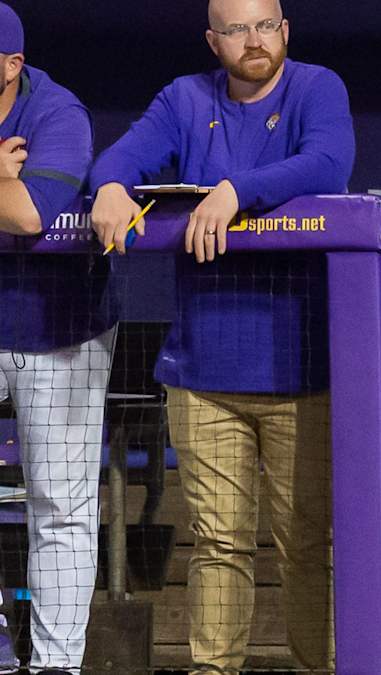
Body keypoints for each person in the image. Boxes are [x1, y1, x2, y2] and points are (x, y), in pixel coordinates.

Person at [88, 1, 353, 672]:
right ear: (214, 40)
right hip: (203, 371)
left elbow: (327, 162)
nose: (254, 41)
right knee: (219, 543)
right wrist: (112, 184)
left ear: (285, 31)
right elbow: (121, 155)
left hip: (302, 369)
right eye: (236, 29)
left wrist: (237, 189)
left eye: (266, 25)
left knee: (306, 544)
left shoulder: (316, 87)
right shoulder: (185, 99)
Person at [0, 3, 116, 673]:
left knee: (61, 504)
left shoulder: (56, 113)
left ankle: (54, 668)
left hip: (59, 323)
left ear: (13, 66)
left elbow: (27, 213)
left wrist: (10, 187)